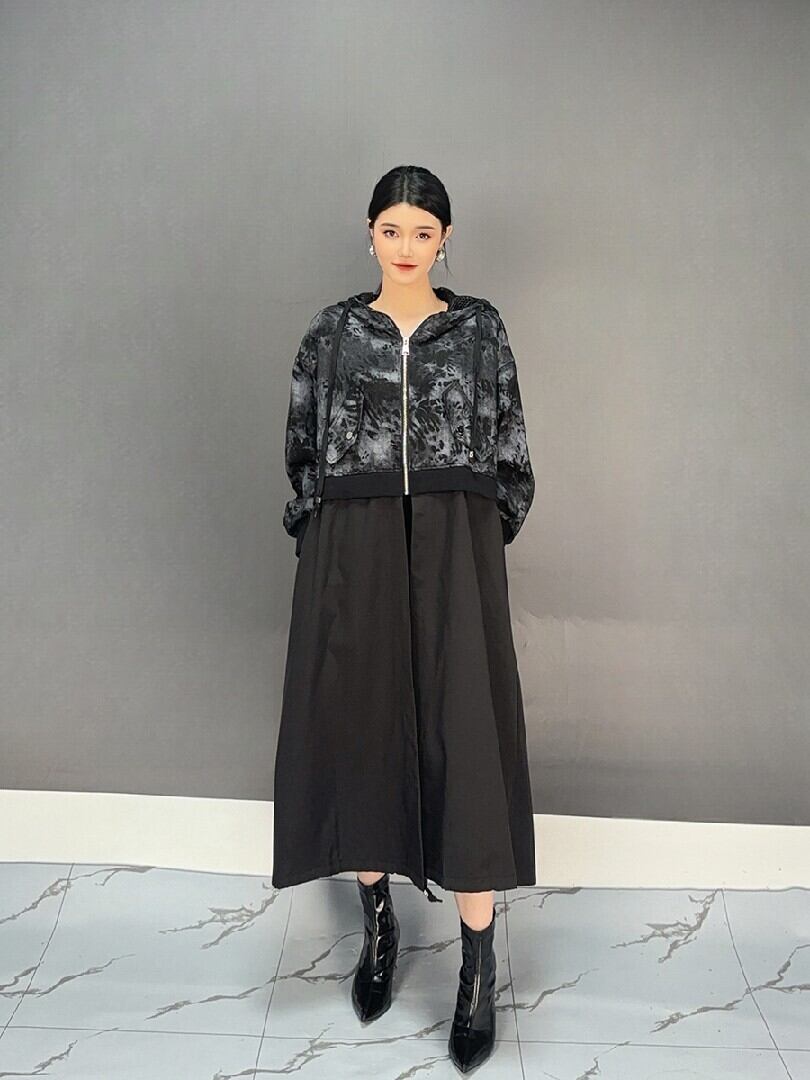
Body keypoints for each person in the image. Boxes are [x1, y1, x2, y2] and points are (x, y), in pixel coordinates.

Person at [273, 164, 536, 1074]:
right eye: (392, 229)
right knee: (363, 729)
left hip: (456, 546)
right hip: (356, 545)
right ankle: (379, 924)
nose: (407, 246)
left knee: (467, 739)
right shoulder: (333, 333)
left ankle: (476, 966)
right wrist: (328, 533)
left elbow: (511, 447)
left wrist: (475, 532)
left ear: (445, 239)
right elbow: (302, 446)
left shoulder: (479, 329)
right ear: (370, 233)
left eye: (424, 231)